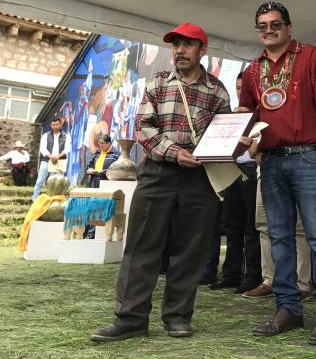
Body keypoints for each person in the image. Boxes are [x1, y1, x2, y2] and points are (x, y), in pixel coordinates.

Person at [90, 23, 230, 342]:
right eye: (175, 45)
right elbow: (143, 127)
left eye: (187, 45)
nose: (179, 51)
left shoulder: (218, 91)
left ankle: (178, 317)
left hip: (199, 176)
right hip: (157, 172)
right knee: (142, 245)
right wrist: (175, 152)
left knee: (191, 249)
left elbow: (224, 131)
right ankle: (130, 319)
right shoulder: (158, 83)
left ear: (202, 50)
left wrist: (237, 141)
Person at [239, 1, 316, 345]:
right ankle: (288, 308)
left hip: (308, 156)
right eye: (262, 26)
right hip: (270, 161)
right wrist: (245, 135)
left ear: (289, 28)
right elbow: (248, 112)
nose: (268, 30)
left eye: (275, 24)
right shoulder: (253, 70)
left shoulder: (311, 56)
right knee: (279, 237)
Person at [206, 71, 262, 294]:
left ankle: (253, 276)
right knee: (231, 226)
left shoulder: (262, 115)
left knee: (252, 227)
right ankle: (231, 274)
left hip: (252, 171)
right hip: (231, 170)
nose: (241, 92)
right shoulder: (229, 115)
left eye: (245, 88)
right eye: (238, 88)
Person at [241, 166, 314, 300]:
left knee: (299, 228)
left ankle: (302, 284)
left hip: (296, 167)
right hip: (265, 171)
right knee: (263, 226)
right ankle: (269, 281)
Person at [83, 133, 119, 239]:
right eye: (99, 143)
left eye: (103, 143)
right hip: (94, 182)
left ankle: (97, 232)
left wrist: (103, 172)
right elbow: (89, 165)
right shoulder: (97, 152)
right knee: (92, 206)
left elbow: (117, 169)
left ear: (109, 143)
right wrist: (89, 169)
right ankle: (89, 231)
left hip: (106, 183)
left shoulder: (116, 154)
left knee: (101, 207)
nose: (100, 145)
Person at [31, 117, 70, 201]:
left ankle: (54, 200)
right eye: (53, 125)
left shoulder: (66, 136)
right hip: (46, 160)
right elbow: (43, 148)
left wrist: (58, 156)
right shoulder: (46, 135)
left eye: (57, 124)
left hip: (60, 161)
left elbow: (67, 149)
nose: (55, 126)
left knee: (57, 183)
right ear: (51, 125)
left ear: (60, 125)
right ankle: (34, 200)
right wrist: (51, 156)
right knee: (40, 180)